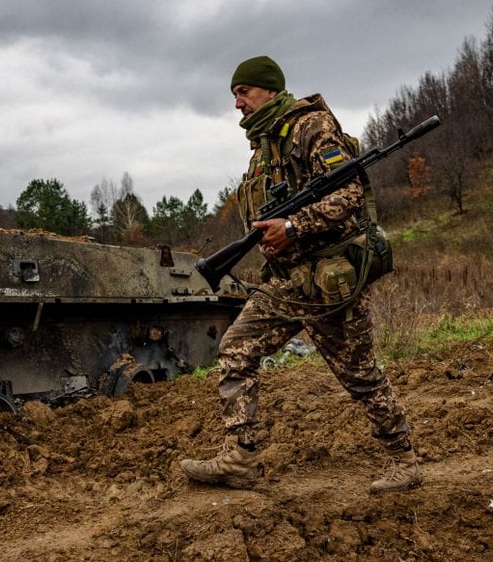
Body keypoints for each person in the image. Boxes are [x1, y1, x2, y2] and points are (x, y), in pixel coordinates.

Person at [180, 56, 421, 493]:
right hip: (289, 280)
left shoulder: (311, 127)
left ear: (270, 91)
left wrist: (292, 226)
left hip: (330, 281)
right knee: (237, 348)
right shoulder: (264, 145)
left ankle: (403, 459)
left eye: (244, 92)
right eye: (234, 94)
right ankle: (240, 456)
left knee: (361, 375)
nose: (237, 103)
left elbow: (348, 194)